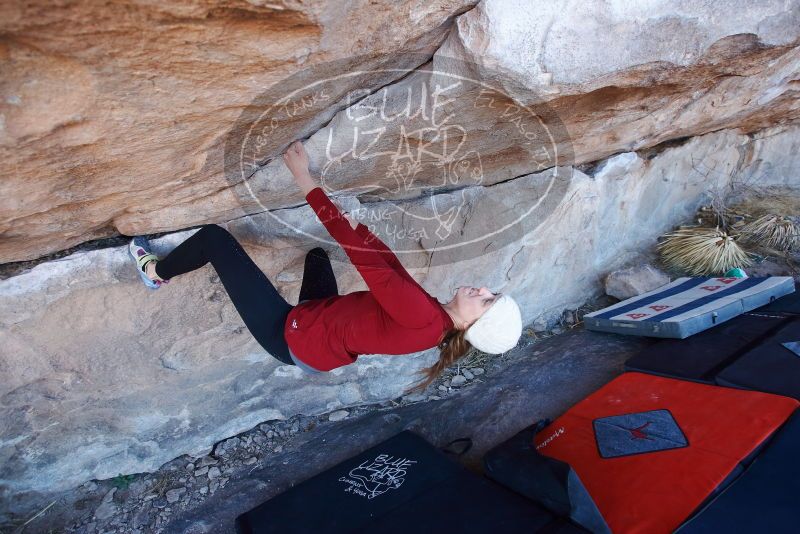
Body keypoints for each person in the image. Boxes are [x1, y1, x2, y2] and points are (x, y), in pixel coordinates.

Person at [129, 140, 522, 393]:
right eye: (493, 293)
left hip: (289, 338)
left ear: (473, 326)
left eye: (487, 302)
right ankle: (297, 308)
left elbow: (364, 259)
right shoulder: (434, 320)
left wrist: (304, 178)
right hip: (322, 332)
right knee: (317, 258)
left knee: (215, 239)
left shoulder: (424, 319)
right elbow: (391, 270)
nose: (483, 290)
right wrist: (362, 230)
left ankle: (154, 273)